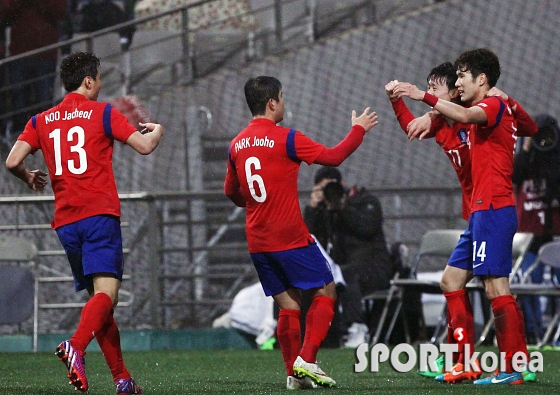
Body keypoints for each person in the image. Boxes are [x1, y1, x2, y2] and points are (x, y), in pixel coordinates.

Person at [5, 52, 164, 394]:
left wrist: (28, 177)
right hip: (99, 215)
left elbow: (12, 160)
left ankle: (123, 380)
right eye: (99, 78)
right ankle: (75, 346)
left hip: (66, 223)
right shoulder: (104, 112)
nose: (101, 84)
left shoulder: (41, 119)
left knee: (100, 301)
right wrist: (157, 130)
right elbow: (146, 146)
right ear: (89, 81)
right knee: (107, 295)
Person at [392, 48, 538, 385]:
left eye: (462, 76)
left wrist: (422, 95)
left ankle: (514, 367)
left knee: (496, 286)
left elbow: (471, 116)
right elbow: (525, 125)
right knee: (451, 281)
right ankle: (465, 362)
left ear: (481, 79)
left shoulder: (490, 105)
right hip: (481, 212)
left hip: (494, 209)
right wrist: (431, 111)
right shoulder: (495, 105)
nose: (458, 83)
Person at [224, 76, 377, 389]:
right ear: (271, 103)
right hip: (289, 235)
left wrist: (255, 205)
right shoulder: (286, 138)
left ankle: (294, 376)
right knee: (326, 290)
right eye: (282, 97)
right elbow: (333, 157)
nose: (284, 103)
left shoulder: (236, 144)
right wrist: (358, 128)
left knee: (289, 305)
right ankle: (306, 359)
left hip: (257, 240)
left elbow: (231, 191)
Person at [304, 166, 393, 348]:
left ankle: (356, 326)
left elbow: (368, 228)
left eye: (332, 187)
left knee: (346, 274)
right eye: (323, 189)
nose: (330, 193)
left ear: (342, 184)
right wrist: (313, 208)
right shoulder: (324, 211)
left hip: (374, 269)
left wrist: (343, 207)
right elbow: (307, 237)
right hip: (342, 270)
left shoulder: (364, 201)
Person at [513, 114, 560, 344]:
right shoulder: (526, 160)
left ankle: (557, 337)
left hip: (556, 234)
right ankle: (534, 335)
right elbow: (513, 174)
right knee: (528, 285)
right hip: (529, 235)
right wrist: (527, 146)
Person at [0, 0, 68, 131]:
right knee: (19, 107)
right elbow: (4, 11)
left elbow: (61, 11)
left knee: (45, 104)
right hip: (19, 54)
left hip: (45, 53)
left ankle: (46, 144)